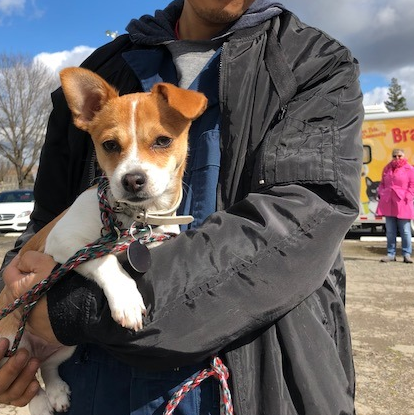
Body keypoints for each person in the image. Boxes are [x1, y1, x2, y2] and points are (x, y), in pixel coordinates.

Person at [0, 0, 364, 414]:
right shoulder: (105, 67)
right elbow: (46, 220)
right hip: (92, 386)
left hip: (249, 380)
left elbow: (297, 228)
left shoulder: (314, 65)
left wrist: (71, 311)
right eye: (112, 147)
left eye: (160, 141)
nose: (133, 170)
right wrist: (10, 294)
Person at [377, 148, 414, 263]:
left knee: (405, 230)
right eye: (394, 156)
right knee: (390, 230)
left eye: (399, 156)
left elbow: (412, 185)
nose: (397, 158)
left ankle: (406, 254)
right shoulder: (387, 168)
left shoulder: (409, 169)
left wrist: (408, 196)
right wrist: (381, 193)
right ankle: (390, 254)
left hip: (403, 202)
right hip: (389, 202)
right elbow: (382, 183)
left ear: (403, 156)